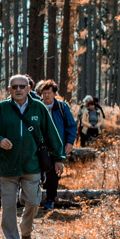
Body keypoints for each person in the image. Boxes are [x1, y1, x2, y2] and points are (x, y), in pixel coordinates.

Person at [0, 75, 65, 239]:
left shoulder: (39, 108)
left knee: (34, 202)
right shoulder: (1, 109)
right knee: (9, 207)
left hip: (32, 166)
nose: (18, 89)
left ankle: (26, 231)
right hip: (7, 167)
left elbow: (51, 134)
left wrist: (58, 158)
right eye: (15, 87)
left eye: (22, 86)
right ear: (9, 90)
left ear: (29, 89)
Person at [37, 80, 77, 210]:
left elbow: (71, 125)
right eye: (44, 93)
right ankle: (34, 199)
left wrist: (70, 142)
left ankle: (50, 199)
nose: (46, 95)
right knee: (36, 173)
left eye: (49, 93)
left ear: (54, 94)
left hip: (56, 145)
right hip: (39, 146)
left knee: (53, 174)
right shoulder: (37, 107)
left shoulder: (61, 107)